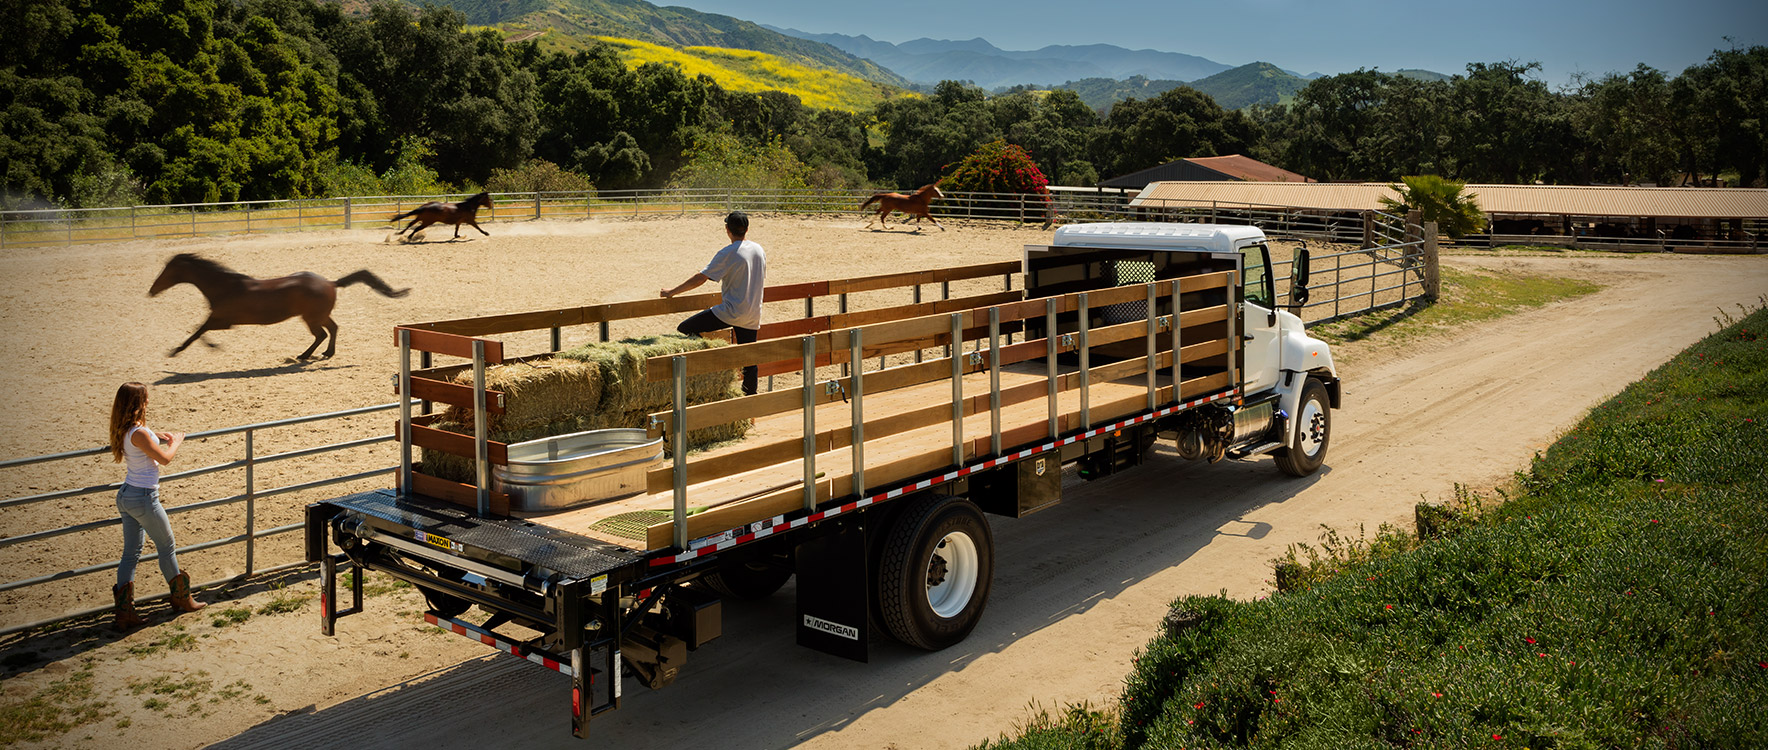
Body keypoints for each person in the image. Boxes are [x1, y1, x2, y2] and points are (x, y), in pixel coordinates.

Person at [109, 382, 204, 630]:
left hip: (127, 495)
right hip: (143, 497)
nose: (148, 402)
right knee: (167, 546)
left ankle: (124, 612)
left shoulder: (127, 429)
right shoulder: (139, 433)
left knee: (130, 554)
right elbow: (165, 459)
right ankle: (182, 599)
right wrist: (176, 441)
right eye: (145, 399)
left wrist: (156, 435)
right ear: (138, 403)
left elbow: (142, 439)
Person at [660, 211, 767, 395]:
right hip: (753, 312)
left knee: (685, 328)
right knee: (749, 359)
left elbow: (701, 278)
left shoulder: (728, 252)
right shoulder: (759, 249)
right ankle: (750, 401)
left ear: (727, 229)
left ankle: (713, 365)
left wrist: (672, 292)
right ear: (747, 229)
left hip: (731, 311)